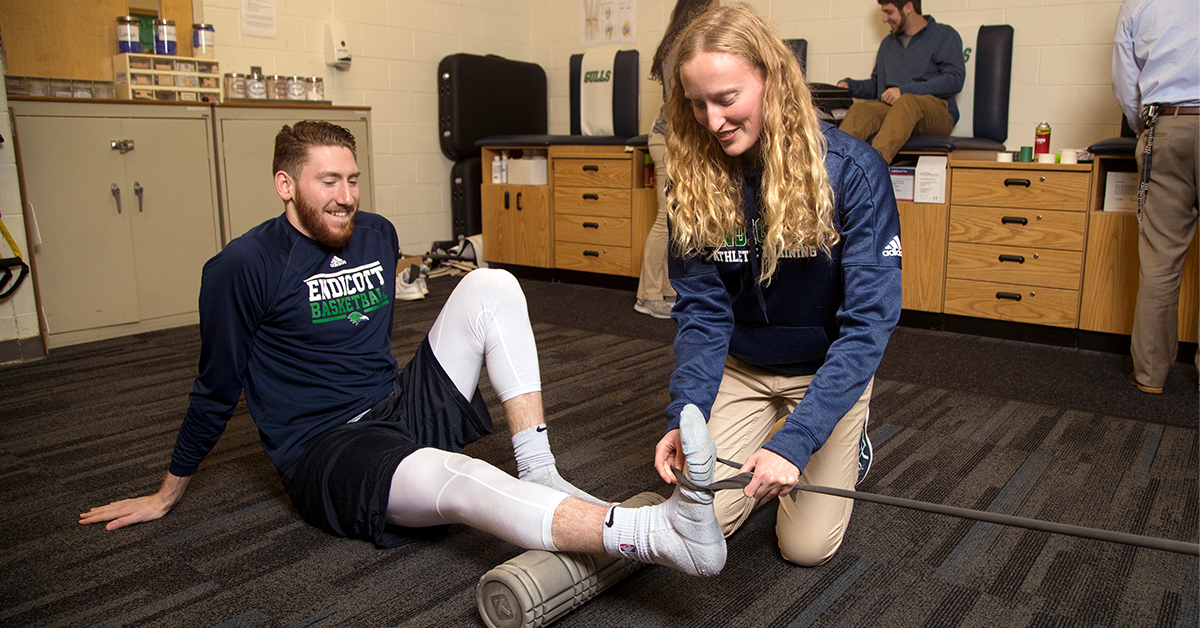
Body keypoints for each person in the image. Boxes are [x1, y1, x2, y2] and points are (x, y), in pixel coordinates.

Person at [79, 120, 726, 578]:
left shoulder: (377, 236)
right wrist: (166, 493)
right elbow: (216, 387)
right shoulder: (241, 267)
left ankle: (539, 469)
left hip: (394, 407)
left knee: (492, 283)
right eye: (327, 182)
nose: (346, 197)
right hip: (326, 450)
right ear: (284, 185)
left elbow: (374, 332)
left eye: (353, 179)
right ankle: (656, 536)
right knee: (464, 479)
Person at [652, 5, 902, 567]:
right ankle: (776, 432)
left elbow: (868, 325)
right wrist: (685, 413)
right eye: (696, 103)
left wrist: (797, 440)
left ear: (772, 81)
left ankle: (843, 436)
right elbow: (702, 313)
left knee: (804, 548)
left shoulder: (853, 172)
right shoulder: (694, 179)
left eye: (727, 98)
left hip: (823, 369)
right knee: (699, 524)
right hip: (741, 367)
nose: (711, 121)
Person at [1112, 0, 1200, 394]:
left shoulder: (1138, 3)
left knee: (1160, 259)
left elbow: (1125, 83)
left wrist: (1149, 127)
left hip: (1168, 126)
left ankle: (1150, 376)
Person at [635, 0, 715, 319]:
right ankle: (648, 295)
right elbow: (679, 102)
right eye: (714, 6)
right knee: (663, 219)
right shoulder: (680, 49)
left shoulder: (681, 45)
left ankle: (667, 288)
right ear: (700, 7)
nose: (717, 12)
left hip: (678, 140)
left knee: (676, 220)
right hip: (668, 140)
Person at [835, 0, 964, 165]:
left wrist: (903, 91)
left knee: (907, 101)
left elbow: (954, 80)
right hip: (896, 111)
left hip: (937, 111)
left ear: (908, 7)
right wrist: (848, 87)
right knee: (860, 109)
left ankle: (874, 171)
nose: (884, 18)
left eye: (889, 12)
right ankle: (833, 174)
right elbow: (877, 86)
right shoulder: (888, 44)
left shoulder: (944, 35)